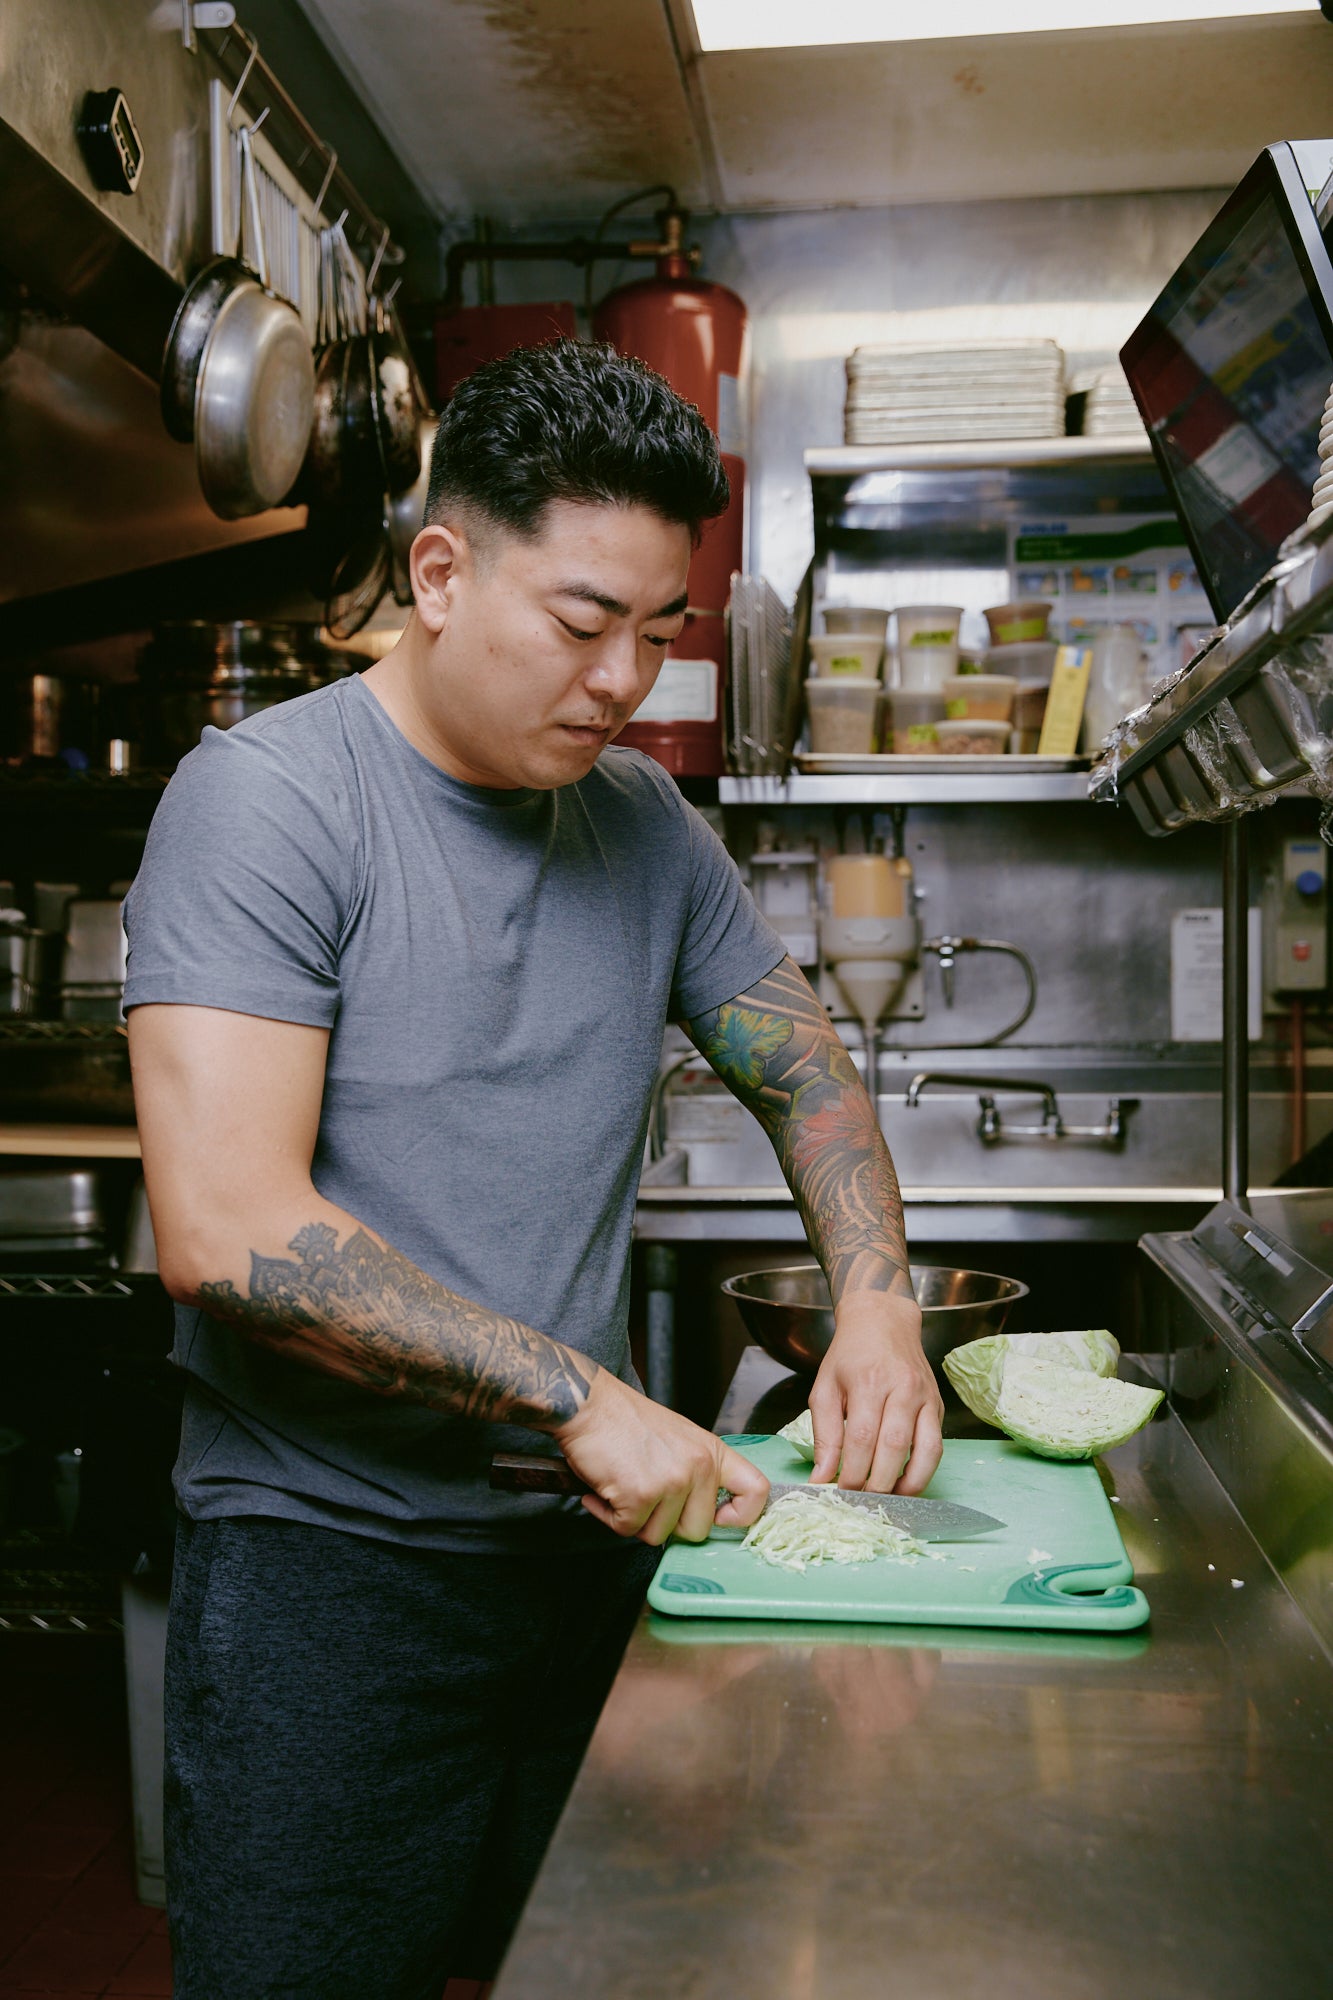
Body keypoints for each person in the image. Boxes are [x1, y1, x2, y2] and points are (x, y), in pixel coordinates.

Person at [125, 338, 942, 1999]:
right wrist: (578, 1395)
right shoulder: (269, 805)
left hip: (583, 1565)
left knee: (596, 1970)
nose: (623, 677)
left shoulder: (640, 820)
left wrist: (878, 1307)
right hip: (328, 1580)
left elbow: (807, 1069)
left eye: (659, 630)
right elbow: (229, 1232)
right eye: (582, 623)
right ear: (440, 571)